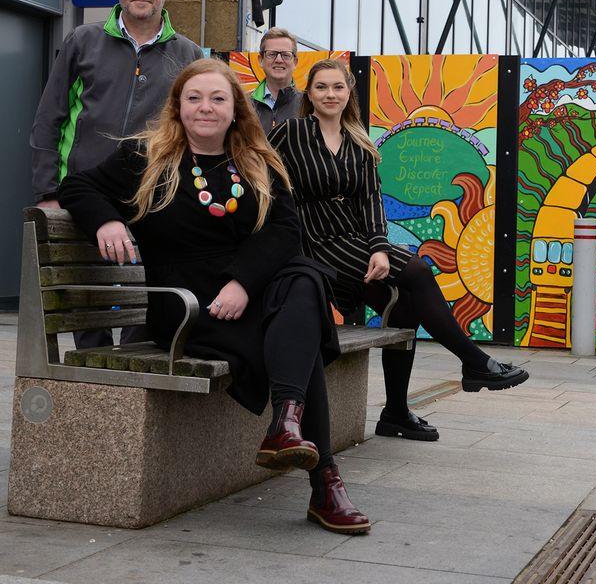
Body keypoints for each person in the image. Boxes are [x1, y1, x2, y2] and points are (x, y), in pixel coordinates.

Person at [57, 59, 370, 535]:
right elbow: (75, 185)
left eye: (218, 98)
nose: (206, 107)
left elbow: (286, 229)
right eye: (195, 98)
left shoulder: (259, 161)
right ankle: (319, 473)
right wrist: (107, 219)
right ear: (178, 107)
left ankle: (288, 422)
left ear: (235, 109)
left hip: (249, 290)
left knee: (304, 281)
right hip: (186, 305)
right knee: (299, 337)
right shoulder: (144, 158)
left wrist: (243, 282)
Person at [268, 58, 529, 442]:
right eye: (321, 87)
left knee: (404, 304)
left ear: (348, 94)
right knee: (419, 271)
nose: (330, 94)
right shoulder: (290, 133)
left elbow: (372, 203)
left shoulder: (360, 142)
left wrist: (379, 249)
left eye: (337, 87)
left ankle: (395, 412)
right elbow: (258, 171)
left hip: (355, 242)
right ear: (309, 93)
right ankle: (474, 361)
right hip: (314, 244)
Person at [30, 0, 202, 348]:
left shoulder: (189, 55)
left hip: (152, 201)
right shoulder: (82, 41)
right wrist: (48, 193)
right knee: (84, 298)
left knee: (145, 300)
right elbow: (47, 119)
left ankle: (130, 378)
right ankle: (96, 382)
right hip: (80, 197)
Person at [250, 27, 303, 133]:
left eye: (285, 55)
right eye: (272, 54)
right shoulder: (243, 106)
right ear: (261, 60)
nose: (279, 60)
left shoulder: (308, 105)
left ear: (295, 62)